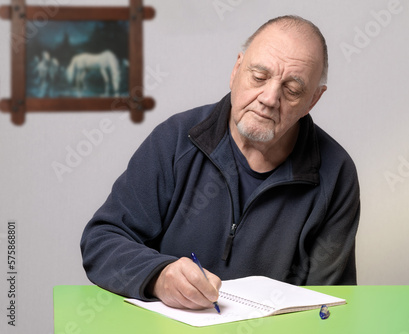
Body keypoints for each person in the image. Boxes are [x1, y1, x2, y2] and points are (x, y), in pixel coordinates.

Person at [80, 15, 360, 311]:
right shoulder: (175, 140)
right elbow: (102, 240)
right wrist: (159, 276)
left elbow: (326, 307)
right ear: (237, 69)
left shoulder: (336, 173)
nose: (269, 98)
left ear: (313, 100)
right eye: (259, 76)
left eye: (292, 90)